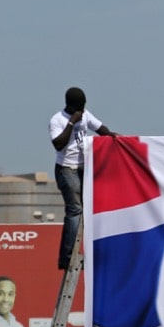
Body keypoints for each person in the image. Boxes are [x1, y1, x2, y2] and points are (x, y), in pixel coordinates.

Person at [50, 86, 117, 270]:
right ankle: (66, 256)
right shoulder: (57, 120)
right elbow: (58, 144)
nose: (82, 110)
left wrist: (114, 137)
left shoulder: (85, 114)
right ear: (70, 106)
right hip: (66, 169)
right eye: (79, 107)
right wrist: (71, 123)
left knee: (90, 208)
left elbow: (101, 128)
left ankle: (91, 248)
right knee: (75, 210)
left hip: (84, 168)